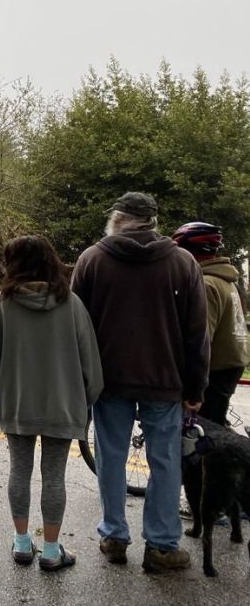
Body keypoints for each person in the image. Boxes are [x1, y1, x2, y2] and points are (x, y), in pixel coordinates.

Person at [71, 192, 209, 572]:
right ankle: (163, 546)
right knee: (165, 461)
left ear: (117, 219)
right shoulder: (182, 263)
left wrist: (79, 381)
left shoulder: (92, 261)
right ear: (152, 221)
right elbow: (197, 334)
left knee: (111, 458)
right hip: (164, 381)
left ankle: (114, 536)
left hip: (108, 381)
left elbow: (74, 329)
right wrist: (196, 388)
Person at [0, 235, 104, 571]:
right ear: (51, 261)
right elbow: (90, 363)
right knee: (54, 476)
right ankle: (51, 551)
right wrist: (87, 399)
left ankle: (22, 544)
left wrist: (0, 390)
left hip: (18, 403)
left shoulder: (1, 304)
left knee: (19, 470)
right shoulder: (72, 304)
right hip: (62, 405)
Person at [172, 222, 249, 426]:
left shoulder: (206, 284)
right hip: (232, 363)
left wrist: (192, 384)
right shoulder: (225, 279)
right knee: (214, 422)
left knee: (200, 433)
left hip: (215, 367)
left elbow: (201, 337)